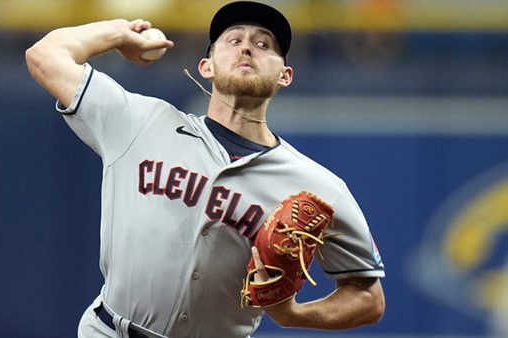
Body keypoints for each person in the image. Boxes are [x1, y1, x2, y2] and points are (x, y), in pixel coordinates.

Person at [25, 1, 385, 337]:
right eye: (233, 40)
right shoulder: (139, 122)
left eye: (264, 44)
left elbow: (368, 295)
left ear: (285, 76)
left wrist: (294, 315)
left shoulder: (317, 186)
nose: (247, 47)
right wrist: (119, 34)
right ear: (206, 66)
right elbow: (45, 56)